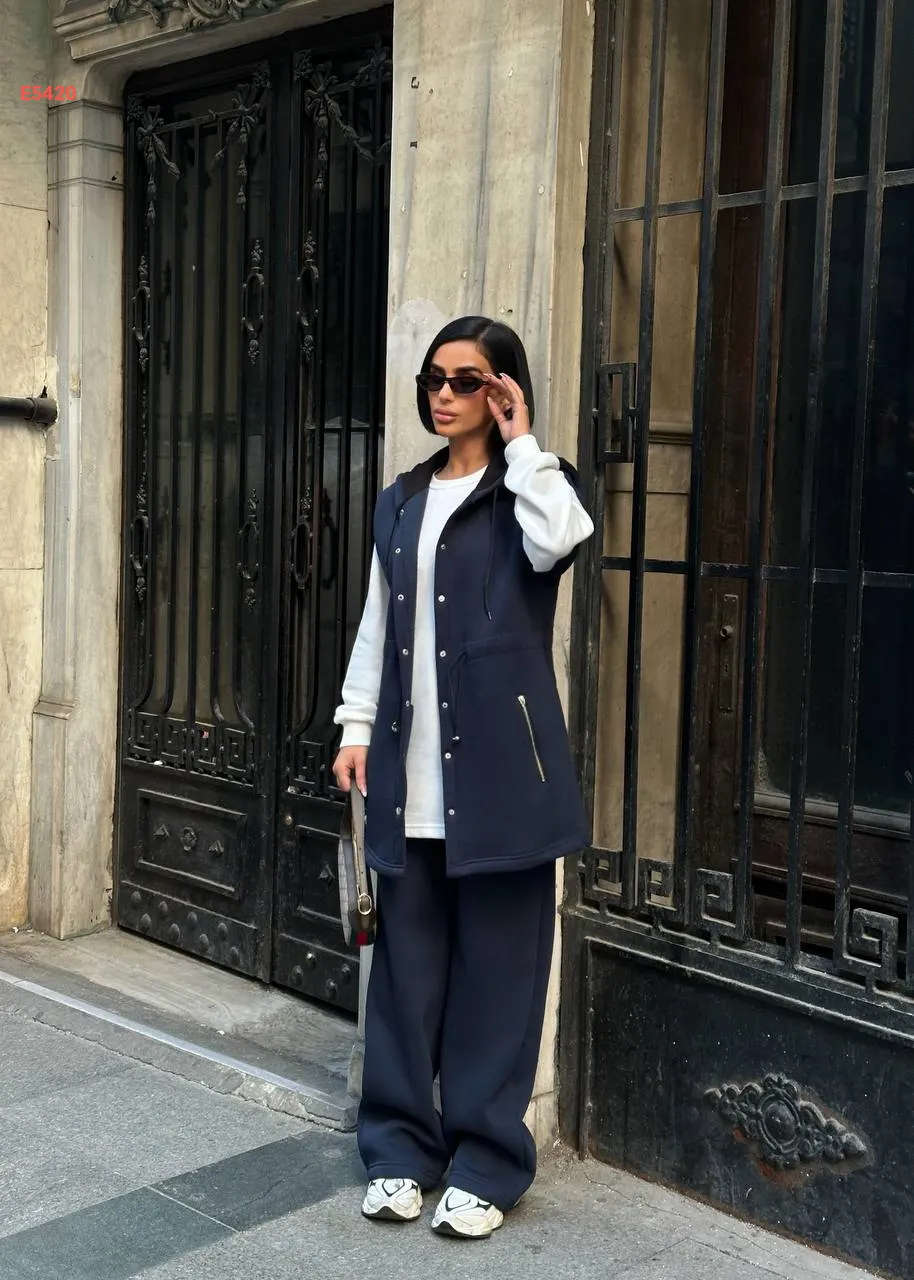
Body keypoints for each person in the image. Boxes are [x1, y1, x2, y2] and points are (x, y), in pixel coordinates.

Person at [332, 315, 594, 1239]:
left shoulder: (535, 485)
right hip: (409, 775)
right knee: (404, 977)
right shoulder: (402, 500)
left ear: (502, 388)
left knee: (499, 978)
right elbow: (377, 621)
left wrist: (522, 442)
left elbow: (562, 540)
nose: (444, 394)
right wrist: (355, 724)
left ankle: (487, 1163)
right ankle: (400, 1151)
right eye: (435, 379)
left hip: (505, 781)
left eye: (467, 379)